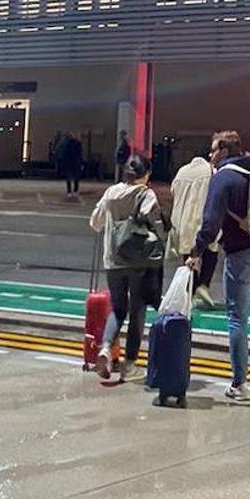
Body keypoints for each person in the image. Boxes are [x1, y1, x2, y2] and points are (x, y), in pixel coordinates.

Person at [188, 130, 250, 401]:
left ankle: (239, 383)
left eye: (214, 149)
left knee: (237, 317)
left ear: (226, 151)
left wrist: (198, 249)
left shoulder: (224, 178)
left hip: (241, 254)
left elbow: (211, 220)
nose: (210, 155)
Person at [88, 154, 167, 382]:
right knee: (137, 310)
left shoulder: (111, 193)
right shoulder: (145, 193)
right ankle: (130, 364)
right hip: (138, 260)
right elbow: (153, 220)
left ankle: (105, 348)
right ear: (146, 174)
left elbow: (95, 223)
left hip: (113, 260)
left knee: (118, 309)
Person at [170, 153, 218, 309]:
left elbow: (173, 191)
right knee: (211, 250)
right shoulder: (211, 171)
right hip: (202, 219)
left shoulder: (181, 171)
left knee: (188, 256)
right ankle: (203, 284)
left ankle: (192, 288)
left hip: (181, 220)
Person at [56, 131, 84, 199]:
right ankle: (75, 191)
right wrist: (81, 163)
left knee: (68, 178)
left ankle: (69, 192)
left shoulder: (65, 143)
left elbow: (62, 153)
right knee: (76, 177)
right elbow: (79, 155)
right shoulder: (77, 144)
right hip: (75, 163)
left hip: (68, 163)